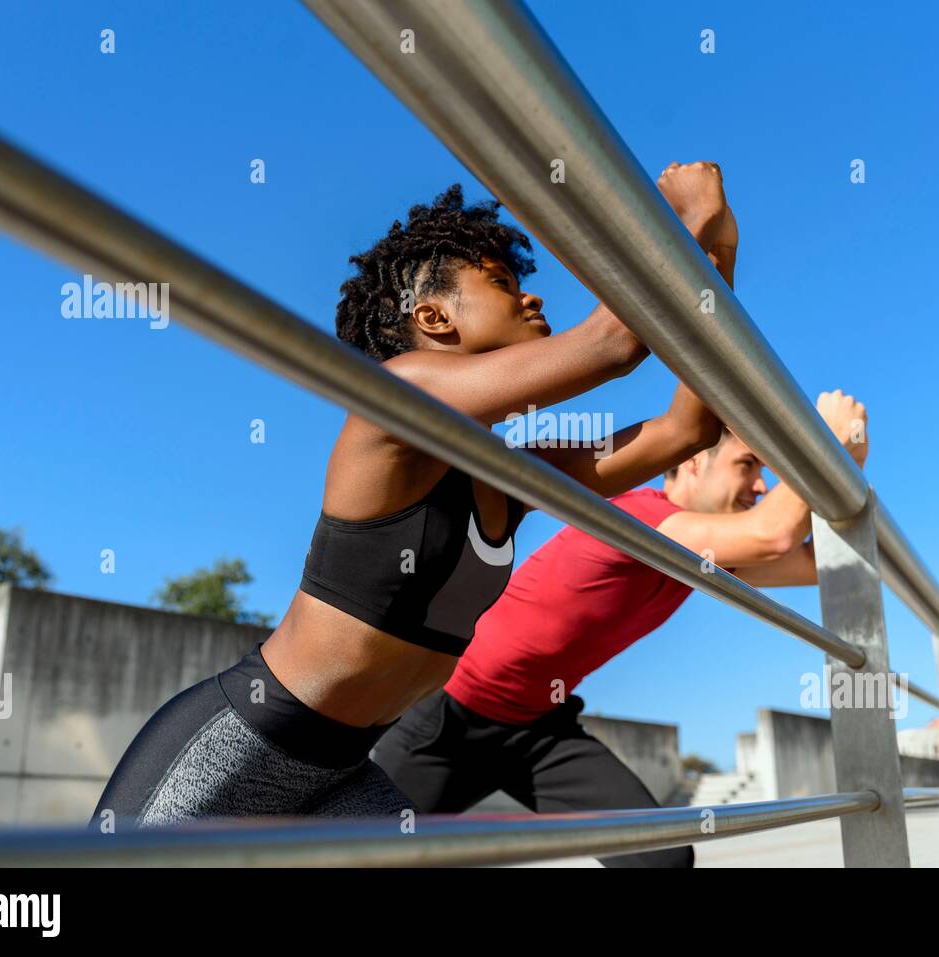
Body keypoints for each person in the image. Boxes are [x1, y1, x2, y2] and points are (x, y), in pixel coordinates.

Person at [91, 161, 736, 830]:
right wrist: (684, 224)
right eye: (503, 283)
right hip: (238, 749)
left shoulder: (509, 475)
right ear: (432, 316)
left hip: (346, 769)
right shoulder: (400, 397)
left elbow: (687, 429)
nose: (532, 299)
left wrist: (717, 247)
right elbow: (612, 344)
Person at [371, 373, 869, 865]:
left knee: (662, 860)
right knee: (360, 857)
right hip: (447, 720)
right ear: (694, 463)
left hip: (537, 731)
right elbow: (774, 535)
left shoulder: (708, 552)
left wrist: (848, 468)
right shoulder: (646, 519)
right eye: (748, 465)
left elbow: (809, 564)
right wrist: (827, 445)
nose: (761, 485)